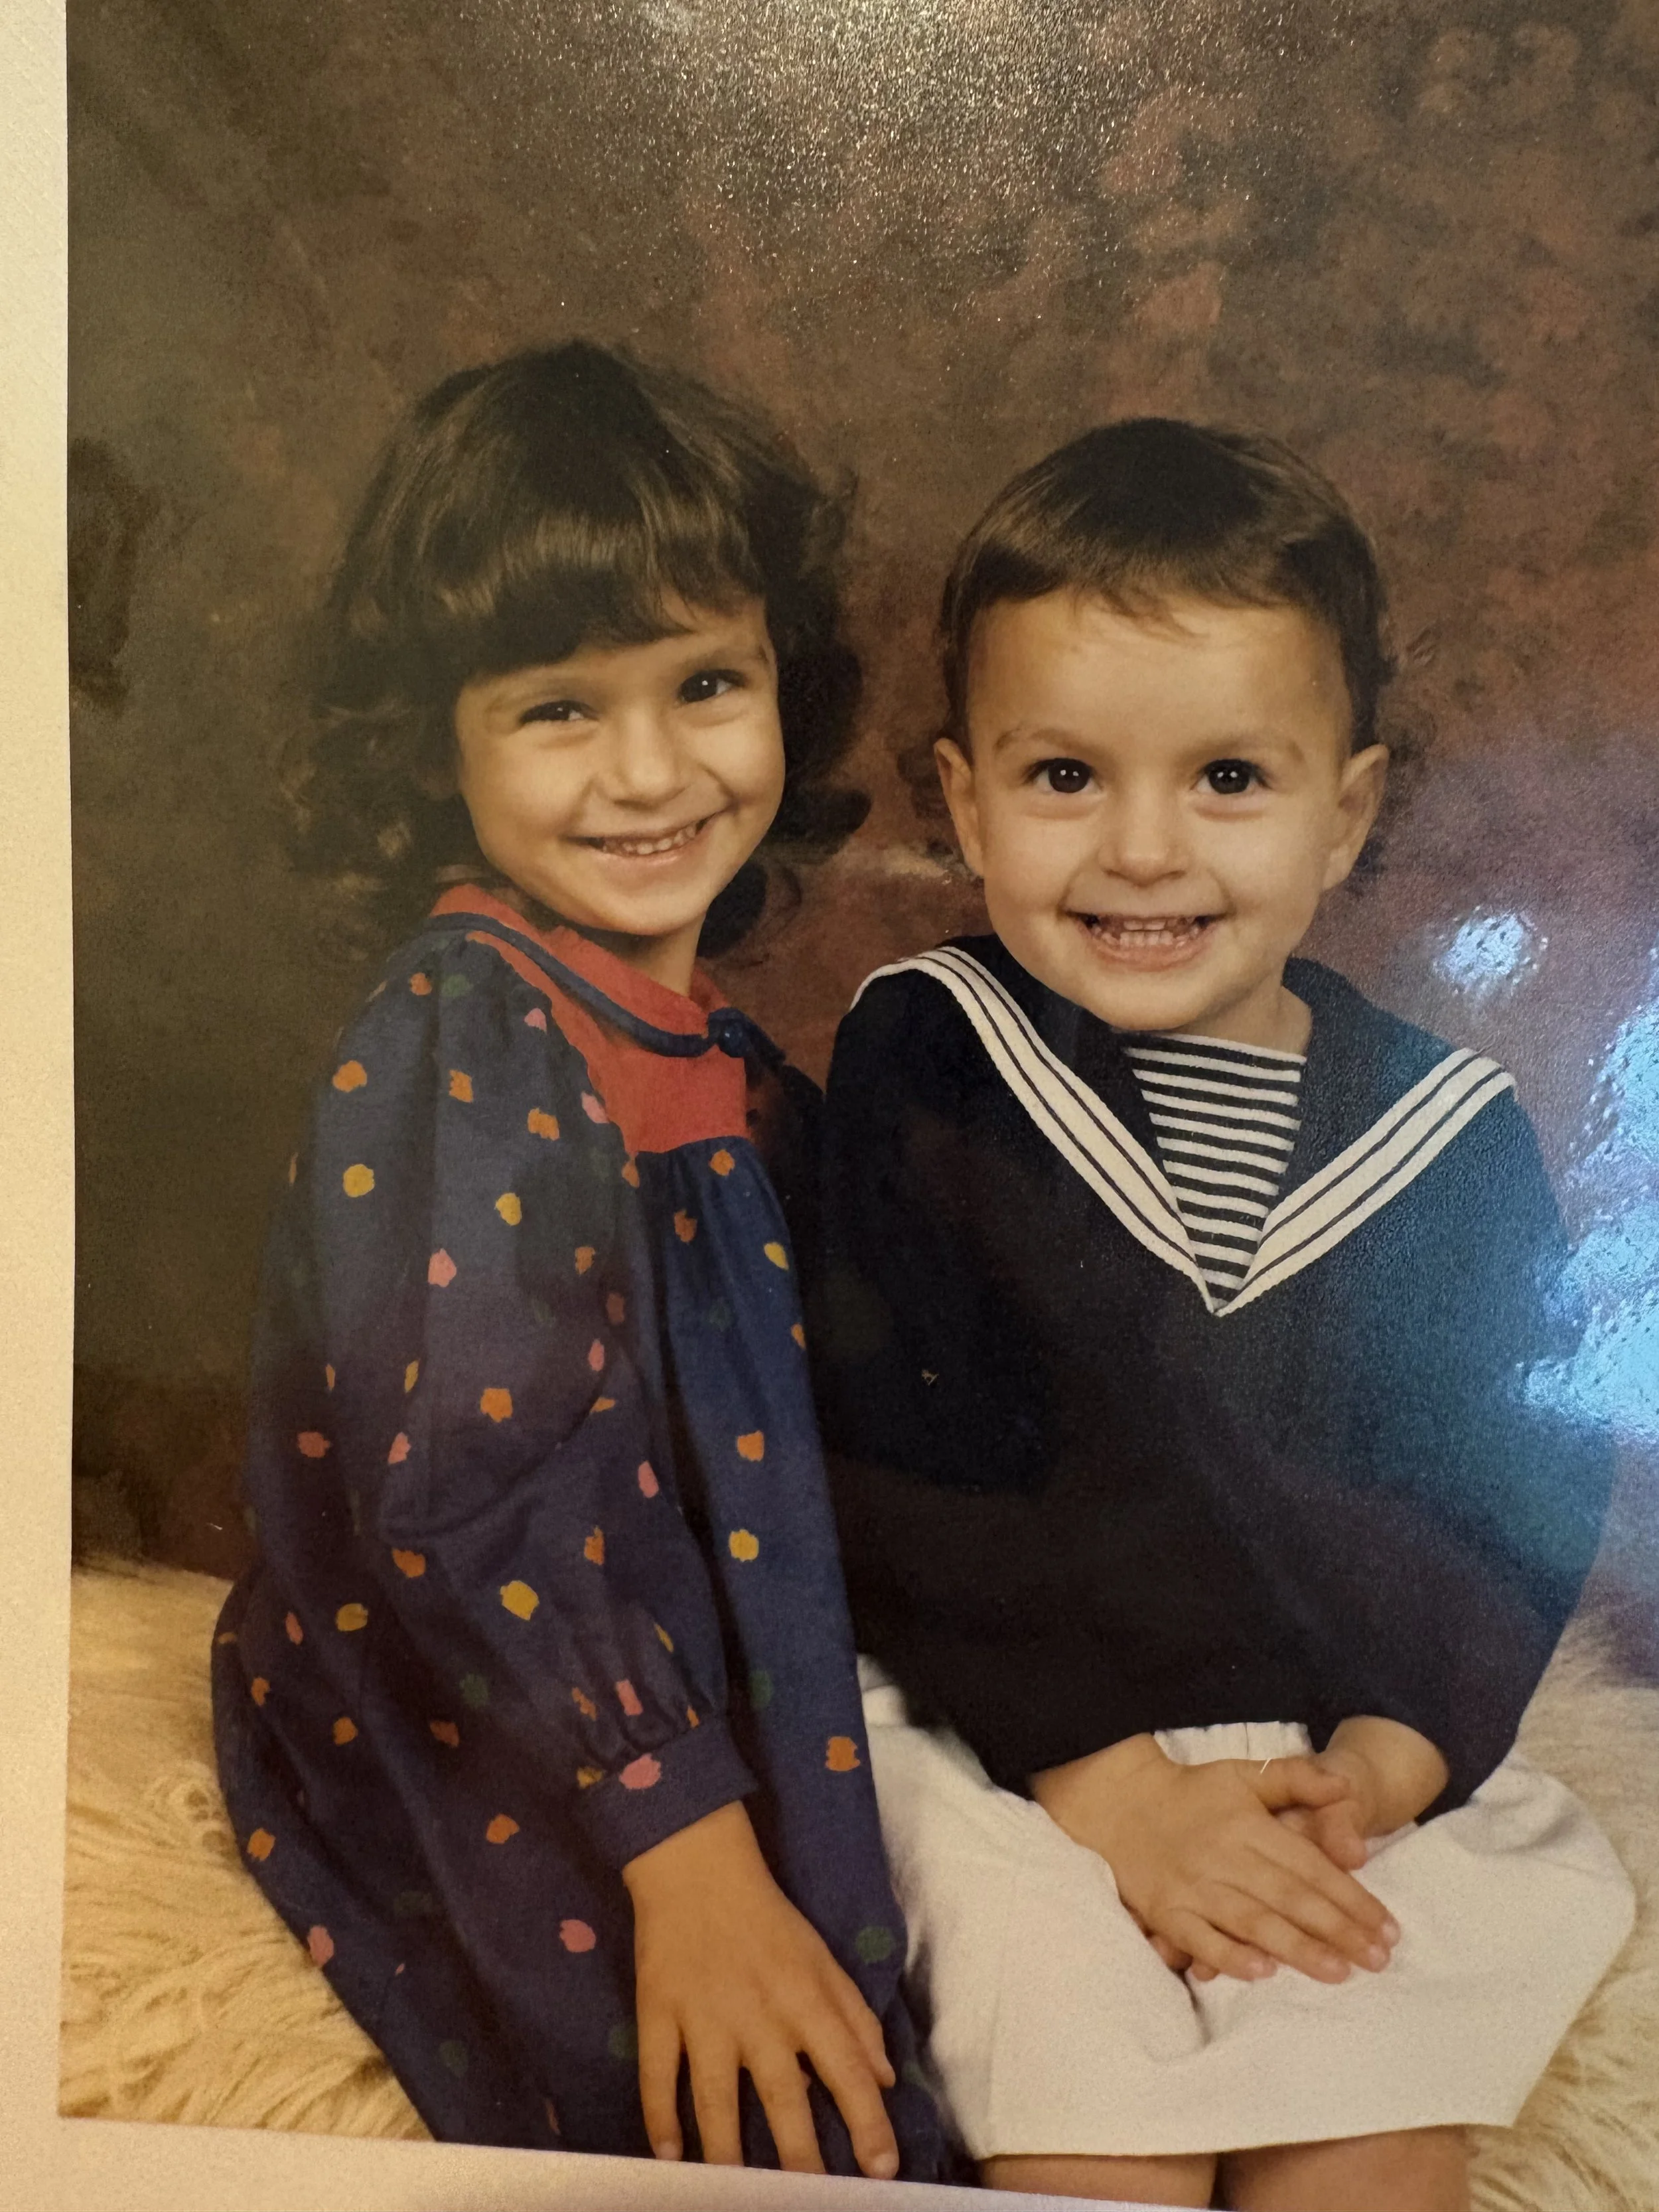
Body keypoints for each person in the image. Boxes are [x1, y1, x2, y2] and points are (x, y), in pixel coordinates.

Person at [812, 419, 1634, 2209]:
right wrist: (1104, 1786)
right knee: (1079, 2098)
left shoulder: (1446, 1132)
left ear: (1343, 808)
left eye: (1226, 781)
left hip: (1331, 1743)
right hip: (1010, 1724)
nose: (1140, 848)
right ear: (962, 802)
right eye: (1060, 778)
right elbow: (891, 1454)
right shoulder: (931, 1057)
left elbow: (1498, 1484)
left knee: (1373, 2078)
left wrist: (1393, 1751)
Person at [210, 341, 944, 2181]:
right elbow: (468, 1485)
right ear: (434, 744)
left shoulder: (726, 1066)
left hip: (683, 1674)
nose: (648, 769)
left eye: (705, 680)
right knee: (761, 2109)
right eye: (556, 708)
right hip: (491, 1695)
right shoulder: (476, 1027)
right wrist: (682, 1843)